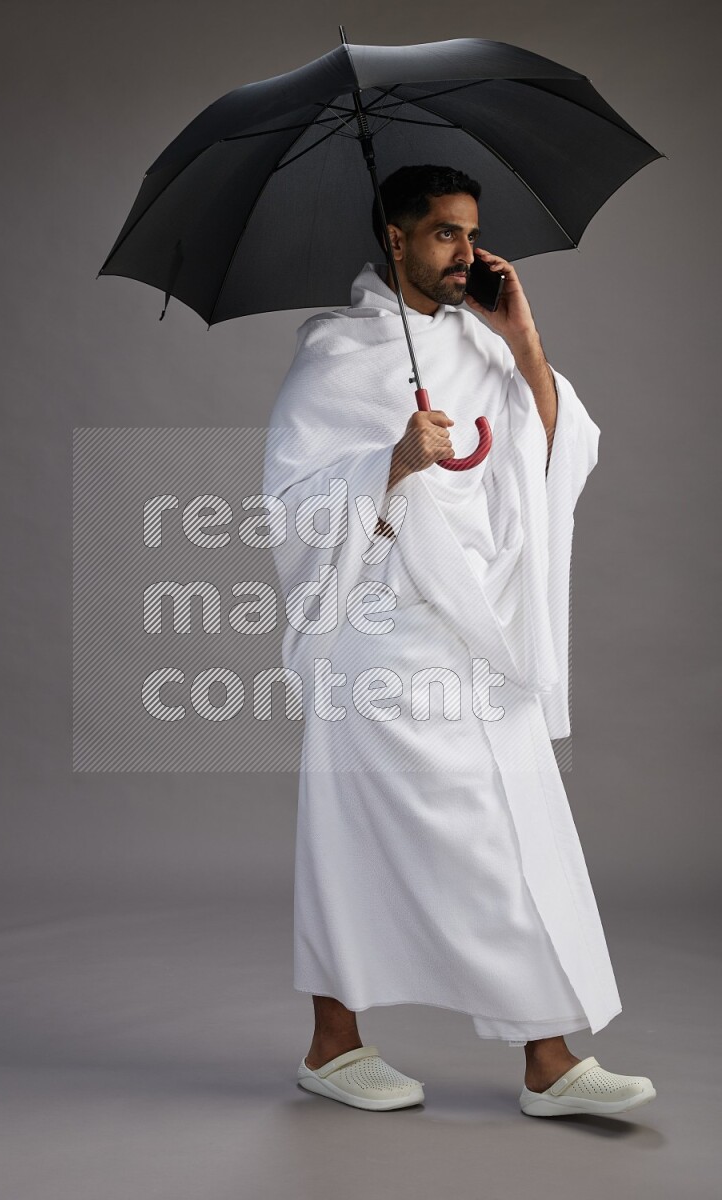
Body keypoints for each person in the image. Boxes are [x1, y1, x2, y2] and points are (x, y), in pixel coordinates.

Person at [262, 165, 656, 1118]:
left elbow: (555, 455)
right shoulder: (338, 353)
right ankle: (334, 1043)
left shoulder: (483, 347)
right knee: (356, 839)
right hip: (384, 637)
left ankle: (549, 1059)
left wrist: (522, 341)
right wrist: (391, 458)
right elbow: (291, 507)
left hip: (481, 634)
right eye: (443, 235)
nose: (466, 255)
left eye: (471, 234)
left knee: (517, 834)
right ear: (394, 240)